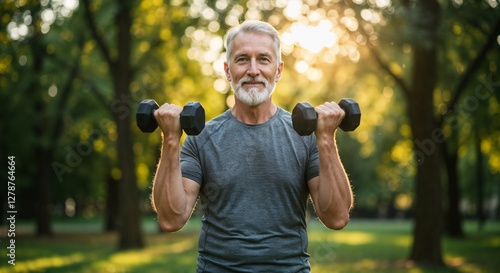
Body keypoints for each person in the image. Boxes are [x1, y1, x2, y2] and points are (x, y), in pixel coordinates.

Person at [151, 20, 354, 273]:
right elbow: (171, 219)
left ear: (278, 71)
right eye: (242, 59)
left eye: (264, 59)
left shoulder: (305, 136)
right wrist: (170, 139)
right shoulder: (202, 137)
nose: (253, 70)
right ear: (228, 70)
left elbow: (336, 217)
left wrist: (326, 140)